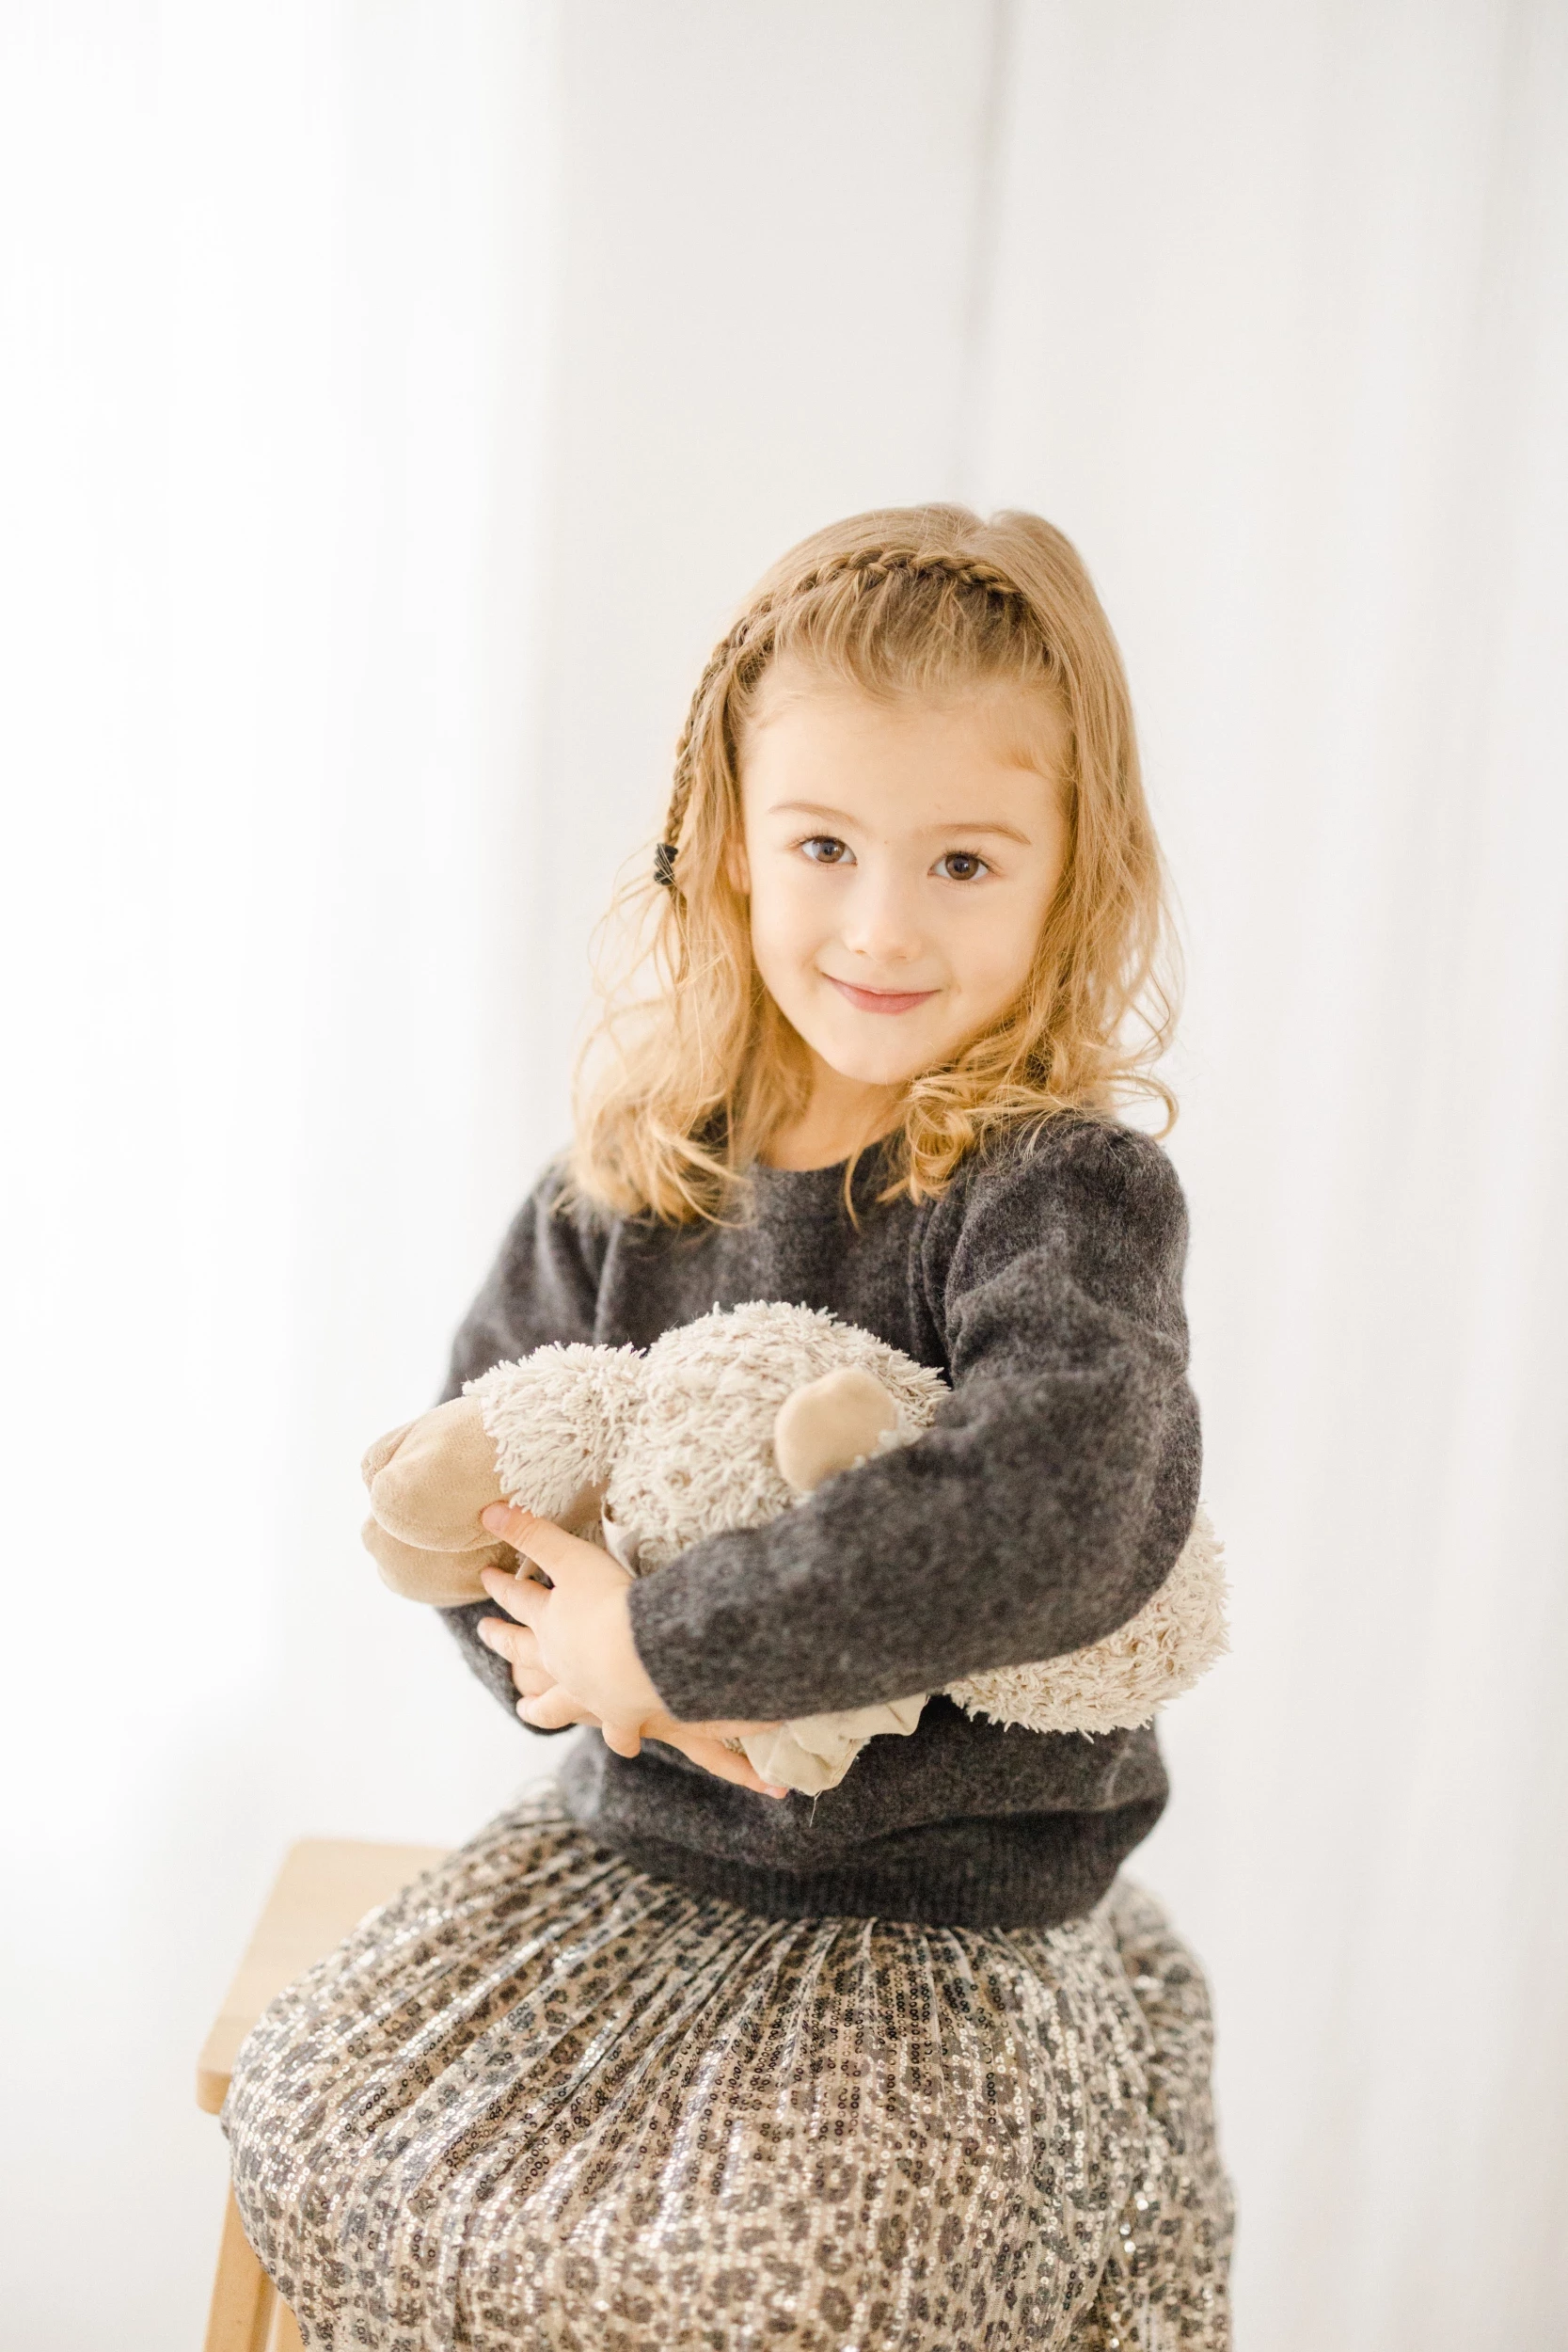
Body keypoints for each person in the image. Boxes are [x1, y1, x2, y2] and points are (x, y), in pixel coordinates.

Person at [225, 504, 1234, 2349]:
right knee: (321, 2121)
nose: (877, 922)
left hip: (935, 1922)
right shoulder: (633, 1173)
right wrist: (591, 1666)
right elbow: (483, 1465)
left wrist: (680, 1634)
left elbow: (1058, 1499)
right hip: (634, 1864)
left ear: (1067, 871)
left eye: (960, 860)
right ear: (726, 841)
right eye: (825, 845)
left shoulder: (1053, 1192)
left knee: (818, 2274)